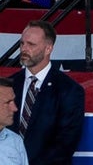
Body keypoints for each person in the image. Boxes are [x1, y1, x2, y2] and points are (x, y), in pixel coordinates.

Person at [6, 21, 85, 165]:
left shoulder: (69, 90)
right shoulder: (8, 86)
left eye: (31, 45)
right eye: (22, 43)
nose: (24, 49)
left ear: (48, 48)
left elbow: (65, 144)